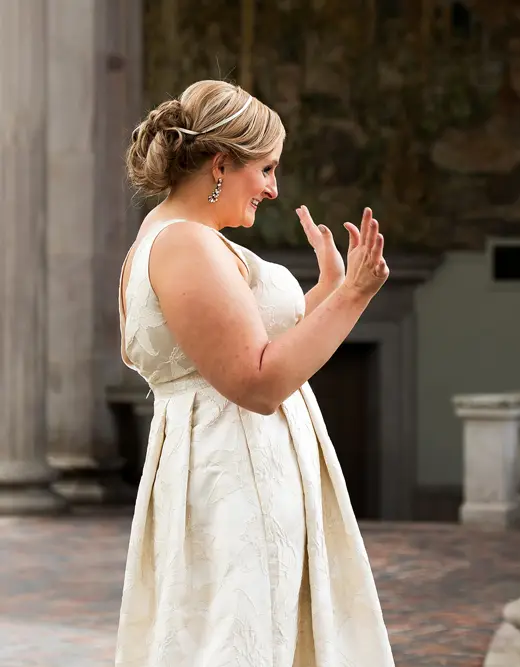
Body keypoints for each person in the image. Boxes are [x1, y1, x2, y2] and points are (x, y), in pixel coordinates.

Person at [115, 79, 395, 666]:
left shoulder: (182, 239)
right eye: (266, 169)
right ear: (221, 163)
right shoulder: (185, 244)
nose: (272, 188)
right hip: (237, 478)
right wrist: (356, 297)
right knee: (240, 637)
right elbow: (258, 383)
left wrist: (327, 294)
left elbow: (247, 348)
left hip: (230, 467)